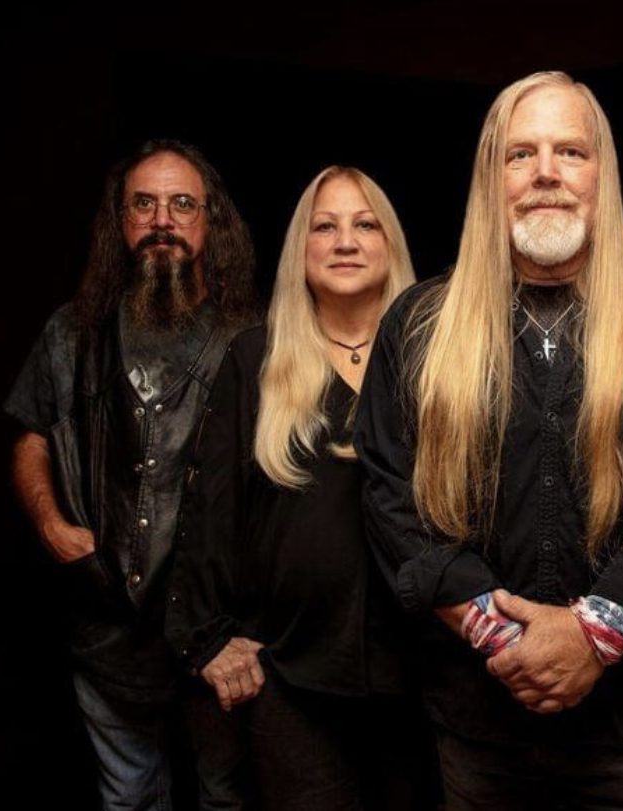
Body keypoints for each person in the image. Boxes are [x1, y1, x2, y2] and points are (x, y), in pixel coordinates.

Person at [357, 70, 623, 810]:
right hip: (481, 733)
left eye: (570, 152)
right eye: (520, 153)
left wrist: (590, 637)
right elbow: (388, 496)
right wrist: (506, 641)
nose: (545, 174)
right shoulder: (418, 325)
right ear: (489, 178)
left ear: (603, 174)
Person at [165, 166, 429, 810]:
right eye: (325, 226)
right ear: (299, 249)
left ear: (390, 243)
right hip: (291, 676)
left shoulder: (439, 358)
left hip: (425, 678)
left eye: (365, 224)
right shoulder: (254, 359)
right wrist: (205, 635)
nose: (345, 241)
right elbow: (210, 513)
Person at [6, 139, 258, 809]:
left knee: (225, 795)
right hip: (107, 627)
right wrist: (52, 525)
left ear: (211, 222)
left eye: (182, 204)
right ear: (119, 221)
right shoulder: (72, 333)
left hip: (216, 627)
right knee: (127, 798)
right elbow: (31, 433)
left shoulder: (252, 339)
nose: (163, 220)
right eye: (143, 203)